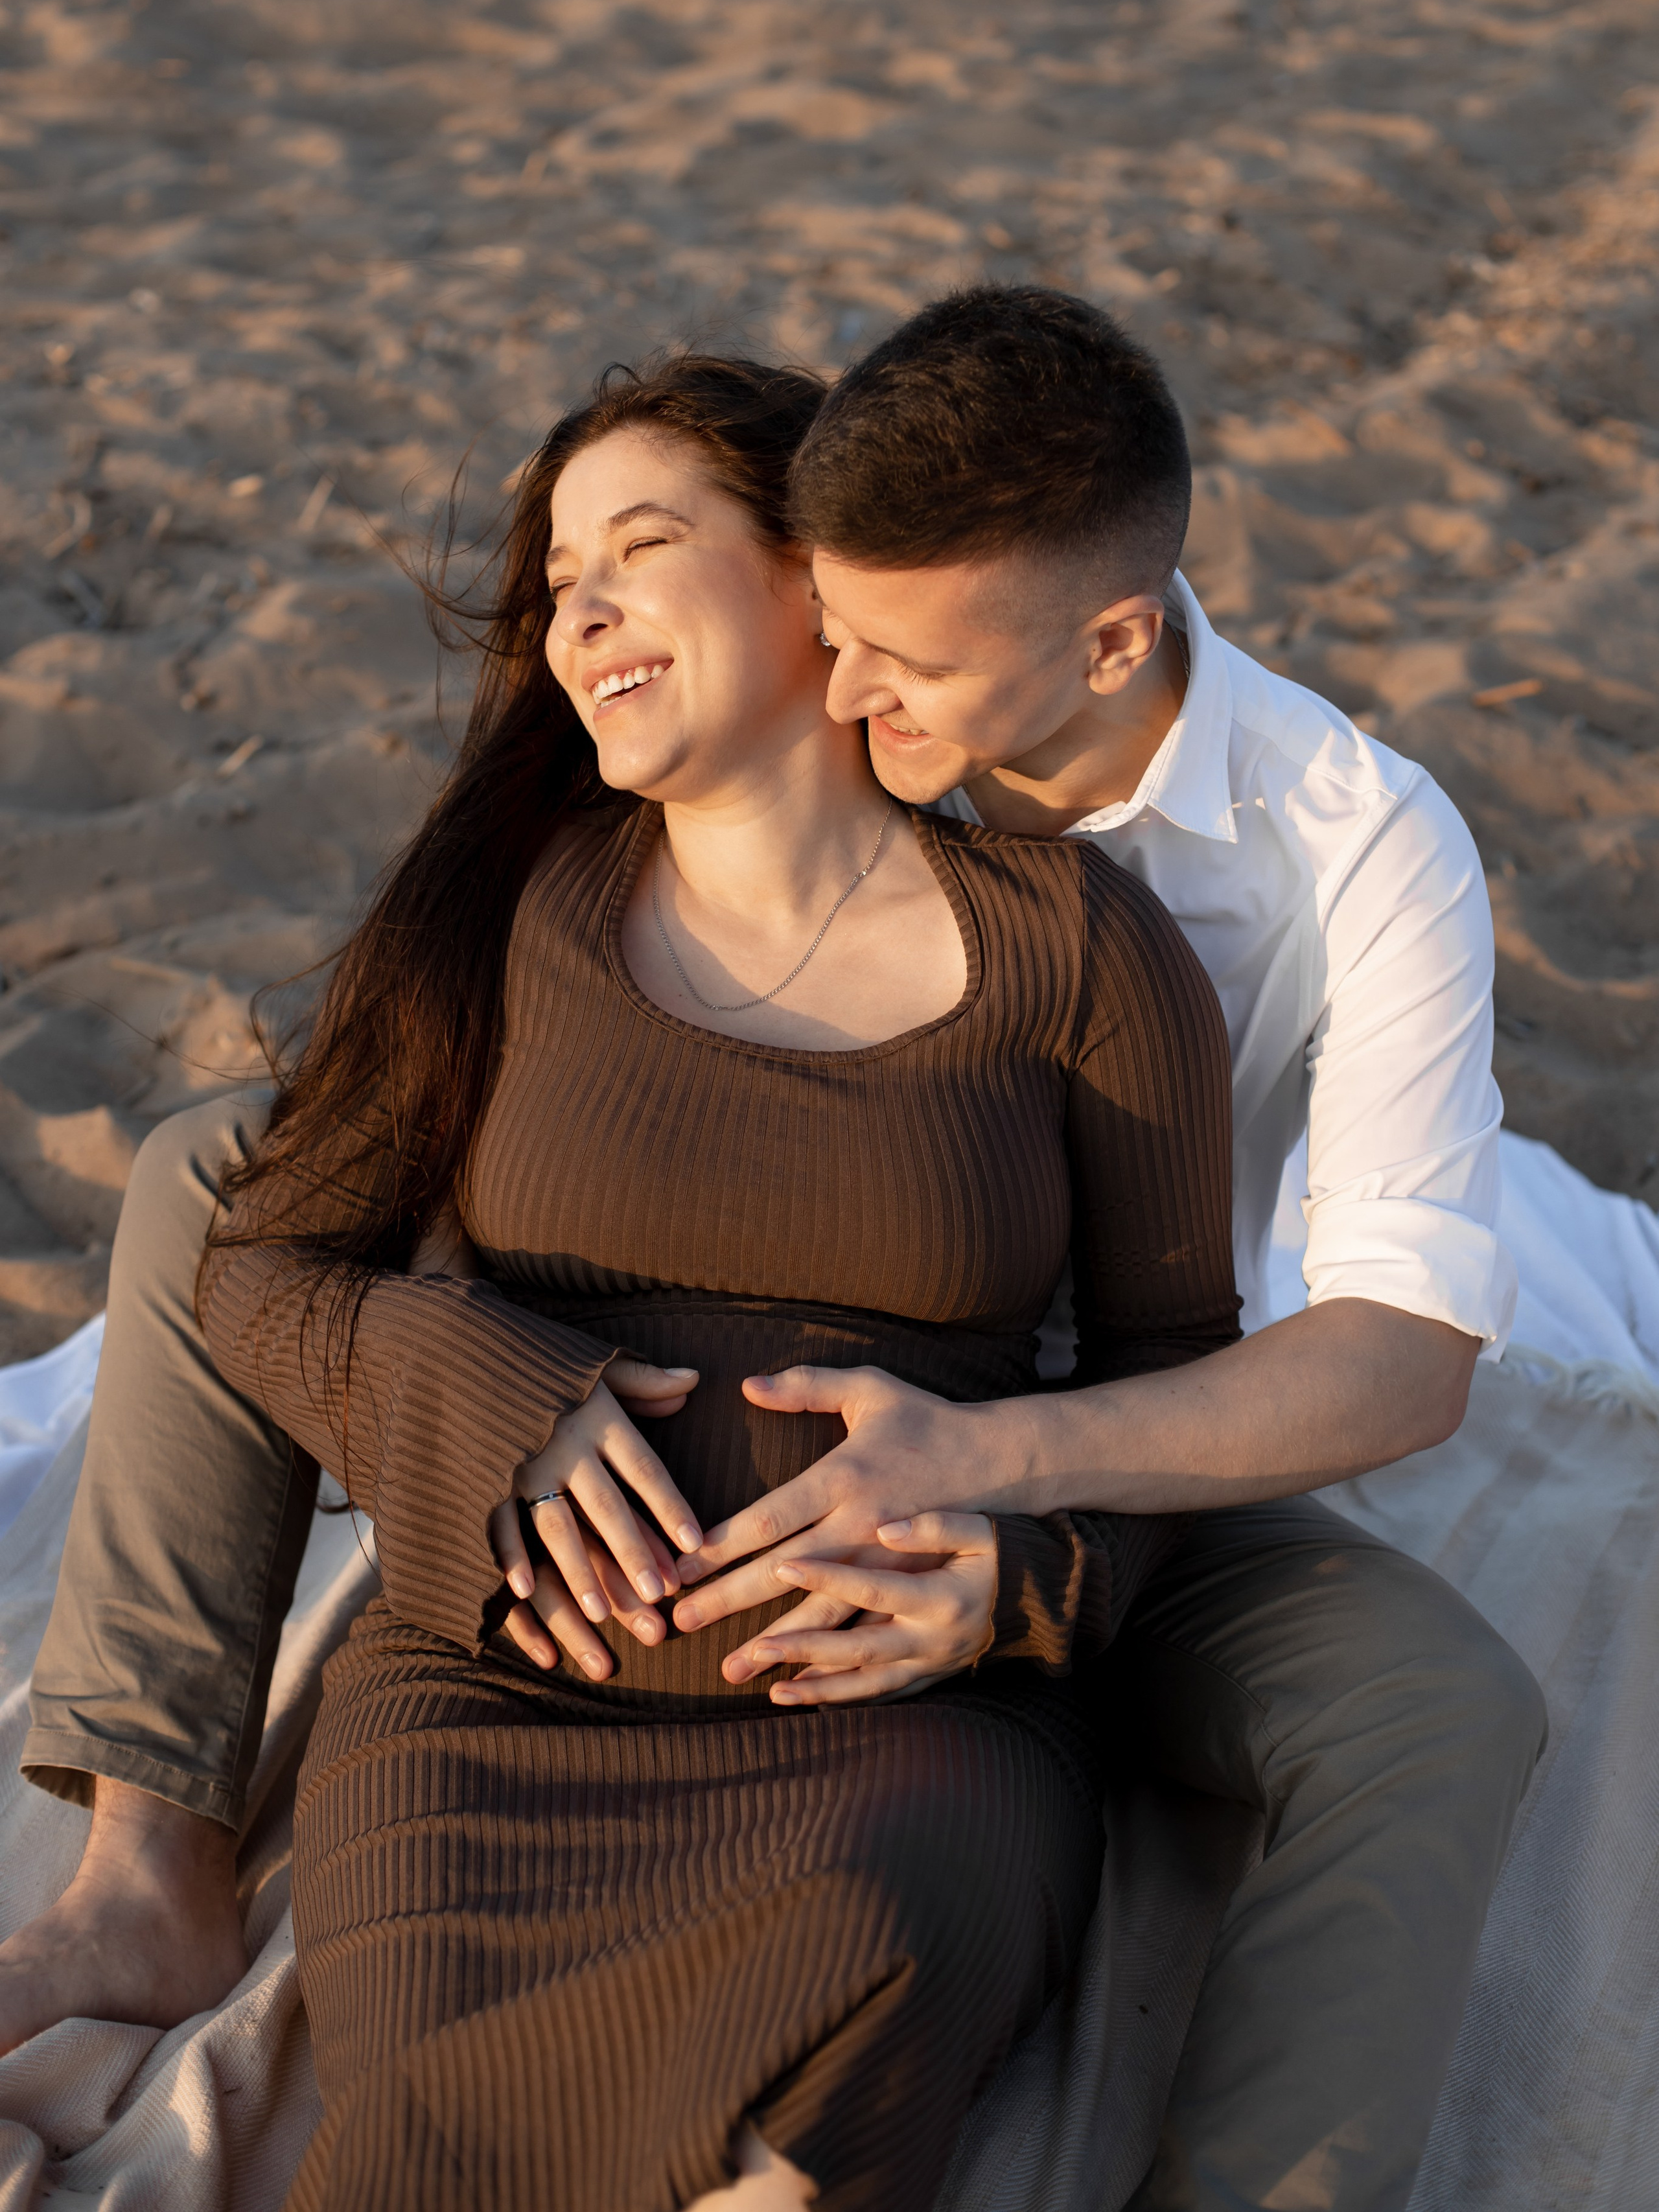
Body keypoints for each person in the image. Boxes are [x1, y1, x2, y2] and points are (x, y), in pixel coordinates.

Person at [8, 294, 1546, 2212]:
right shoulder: (579, 869)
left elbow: (1384, 1359)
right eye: (851, 618)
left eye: (895, 646)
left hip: (1134, 1448)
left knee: (1438, 1700)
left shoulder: (1325, 854)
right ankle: (139, 1874)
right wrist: (462, 1375)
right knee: (211, 1169)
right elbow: (280, 1222)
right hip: (544, 1694)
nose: (865, 678)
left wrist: (1003, 1508)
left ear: (1105, 644)